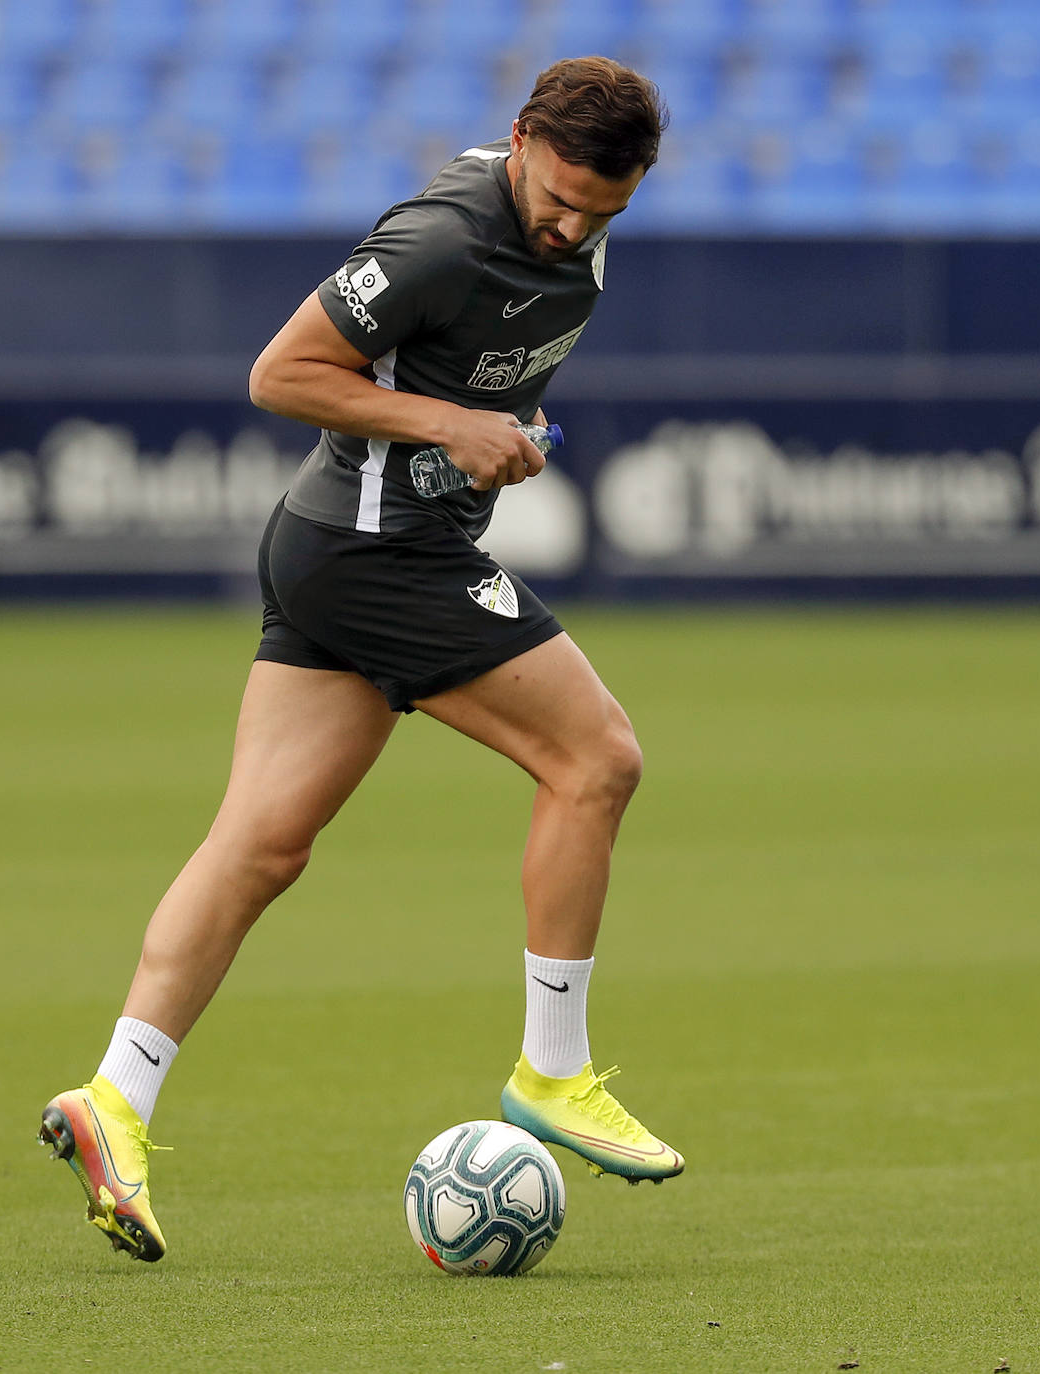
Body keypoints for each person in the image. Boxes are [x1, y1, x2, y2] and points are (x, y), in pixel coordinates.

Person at [38, 56, 681, 1263]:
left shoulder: (570, 224)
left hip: (340, 548)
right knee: (596, 759)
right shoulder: (441, 236)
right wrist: (452, 428)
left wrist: (503, 430)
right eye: (559, 197)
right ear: (519, 139)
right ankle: (553, 1070)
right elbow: (279, 373)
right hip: (382, 556)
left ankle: (113, 1097)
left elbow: (467, 368)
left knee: (258, 847)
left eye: (608, 211)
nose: (574, 224)